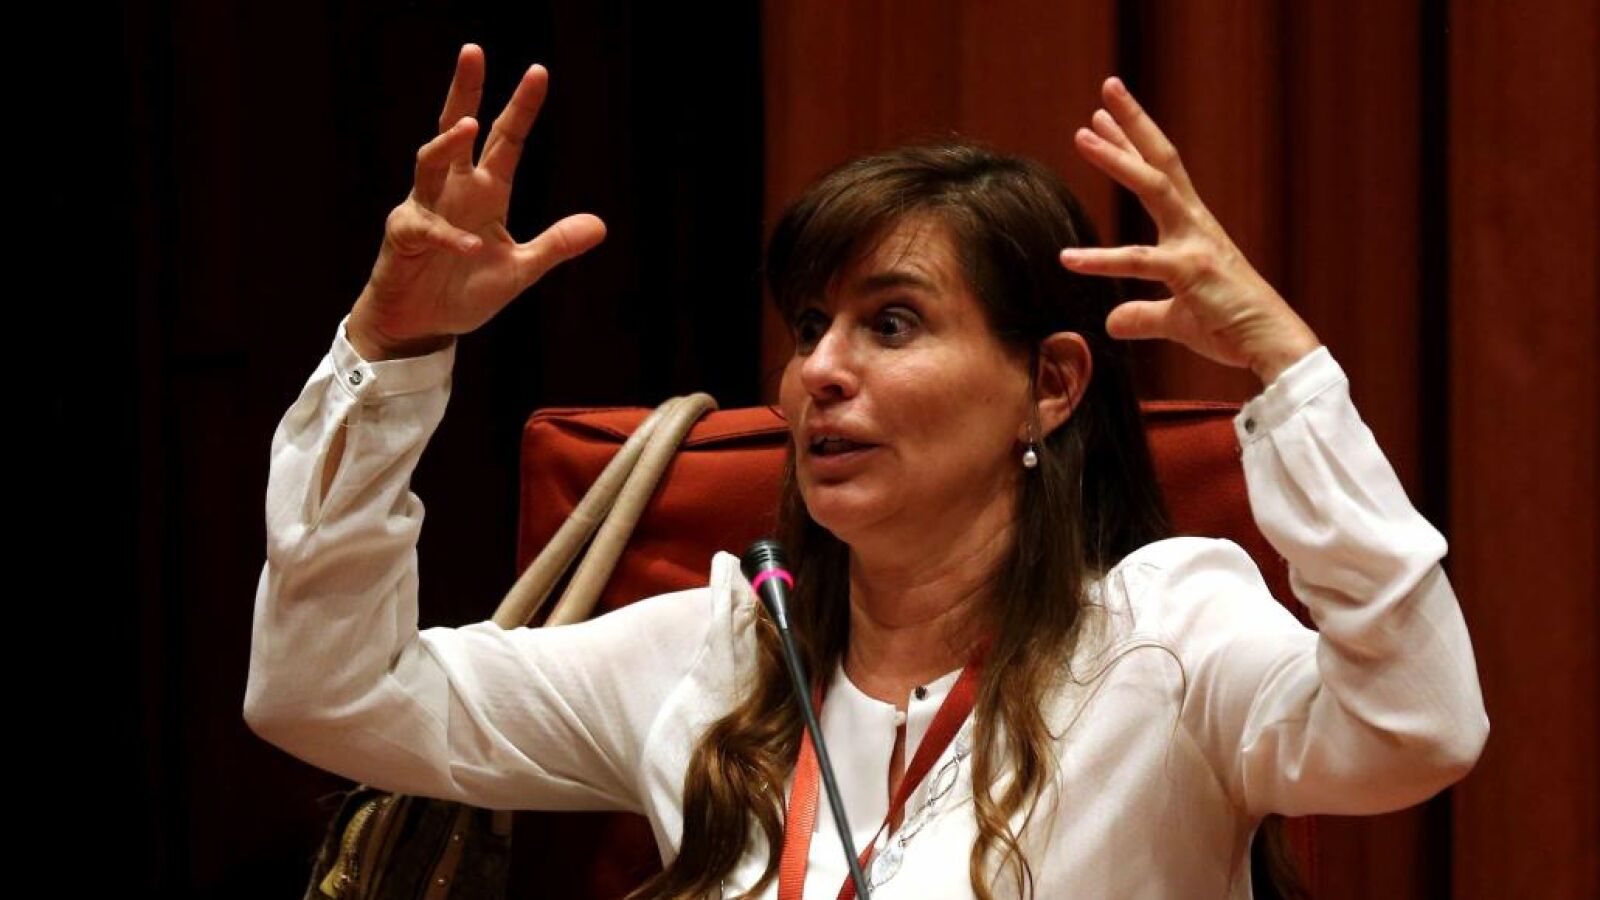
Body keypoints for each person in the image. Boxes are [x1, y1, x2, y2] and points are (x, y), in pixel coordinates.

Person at [244, 43, 1489, 900]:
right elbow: (327, 696)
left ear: (1051, 385)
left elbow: (1417, 728)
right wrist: (390, 353)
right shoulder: (712, 653)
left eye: (891, 324)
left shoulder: (1165, 636)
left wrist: (1287, 367)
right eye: (809, 327)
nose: (815, 374)